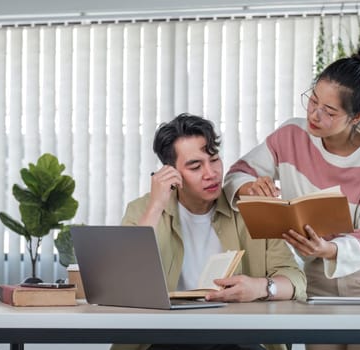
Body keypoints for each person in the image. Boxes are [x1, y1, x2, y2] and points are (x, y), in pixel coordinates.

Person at [223, 46, 360, 350]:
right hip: (317, 278)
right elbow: (238, 172)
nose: (314, 115)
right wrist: (247, 188)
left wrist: (330, 248)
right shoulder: (291, 134)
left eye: (329, 111)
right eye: (313, 100)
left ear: (356, 116)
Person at [113, 113, 307, 350]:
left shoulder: (249, 208)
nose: (211, 173)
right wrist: (156, 206)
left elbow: (296, 280)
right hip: (166, 337)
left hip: (237, 336)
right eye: (195, 166)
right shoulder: (143, 210)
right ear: (171, 172)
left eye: (214, 159)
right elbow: (123, 281)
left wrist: (260, 287)